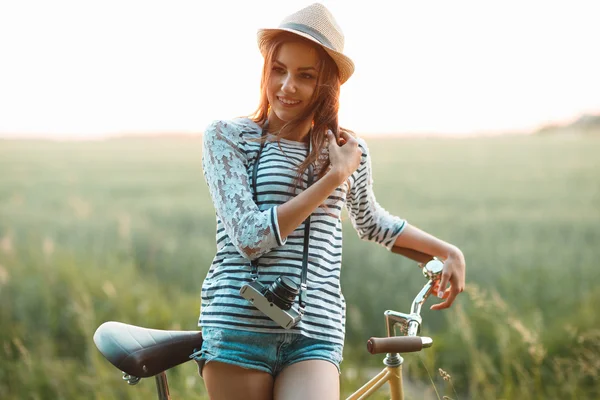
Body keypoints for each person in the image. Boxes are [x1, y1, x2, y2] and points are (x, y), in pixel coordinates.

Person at [193, 3, 466, 399]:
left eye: (305, 76)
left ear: (327, 85)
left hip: (314, 333)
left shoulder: (348, 149)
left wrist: (446, 250)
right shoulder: (228, 137)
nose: (287, 86)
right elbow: (250, 236)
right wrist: (333, 178)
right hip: (240, 328)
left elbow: (372, 223)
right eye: (279, 70)